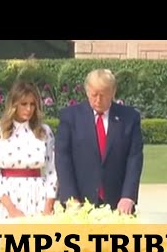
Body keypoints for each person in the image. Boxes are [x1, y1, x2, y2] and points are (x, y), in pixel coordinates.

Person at [55, 69, 144, 215]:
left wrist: (128, 196)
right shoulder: (70, 117)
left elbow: (134, 158)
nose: (98, 100)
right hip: (79, 203)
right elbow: (62, 158)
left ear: (113, 92)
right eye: (94, 94)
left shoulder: (129, 118)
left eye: (103, 95)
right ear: (87, 91)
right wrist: (70, 197)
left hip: (118, 203)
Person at [0, 80, 57, 223]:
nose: (28, 109)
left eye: (32, 104)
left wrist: (48, 207)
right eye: (24, 104)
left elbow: (52, 172)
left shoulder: (44, 132)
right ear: (14, 104)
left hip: (37, 198)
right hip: (6, 202)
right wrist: (11, 209)